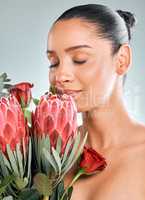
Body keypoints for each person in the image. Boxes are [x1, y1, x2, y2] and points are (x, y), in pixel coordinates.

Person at [47, 4, 145, 200]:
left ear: (122, 60)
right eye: (54, 62)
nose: (60, 75)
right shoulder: (47, 154)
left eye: (79, 59)